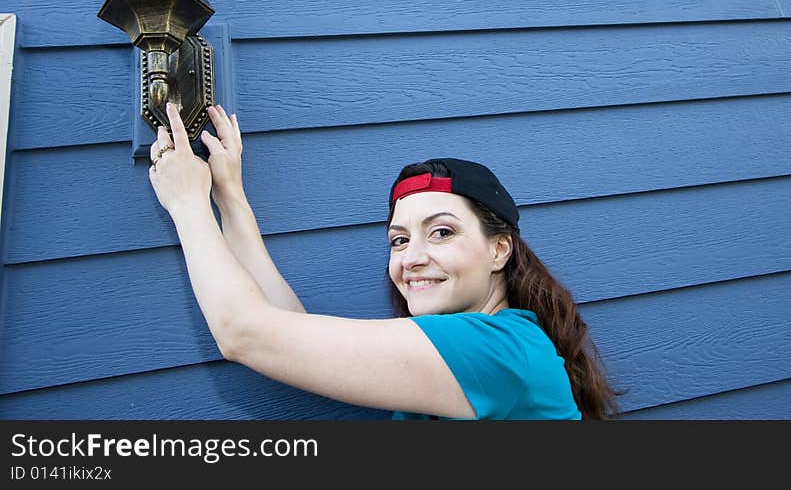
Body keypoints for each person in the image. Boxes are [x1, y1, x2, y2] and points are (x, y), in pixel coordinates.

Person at [148, 101, 621, 419]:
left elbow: (245, 334)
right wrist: (230, 196)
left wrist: (187, 204)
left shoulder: (497, 351)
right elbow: (281, 329)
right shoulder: (490, 343)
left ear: (500, 250)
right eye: (398, 240)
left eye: (442, 231)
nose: (411, 258)